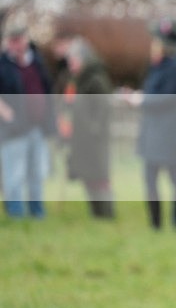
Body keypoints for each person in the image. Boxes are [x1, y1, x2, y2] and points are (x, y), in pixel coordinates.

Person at [124, 18, 176, 233]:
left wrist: (140, 100)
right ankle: (156, 225)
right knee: (152, 180)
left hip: (171, 136)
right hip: (154, 134)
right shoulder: (160, 66)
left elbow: (167, 99)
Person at [0, 23, 57, 218]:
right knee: (14, 173)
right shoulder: (3, 65)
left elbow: (47, 89)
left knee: (36, 171)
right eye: (12, 41)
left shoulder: (37, 62)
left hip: (37, 126)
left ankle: (37, 212)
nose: (16, 45)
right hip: (13, 128)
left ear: (26, 40)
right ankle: (16, 213)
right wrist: (6, 113)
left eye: (19, 40)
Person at [63, 37, 115, 218]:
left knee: (99, 178)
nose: (71, 64)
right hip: (81, 139)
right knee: (88, 177)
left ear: (83, 59)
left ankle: (106, 215)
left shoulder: (96, 79)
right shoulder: (76, 80)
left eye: (73, 60)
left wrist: (93, 130)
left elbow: (102, 110)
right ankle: (96, 215)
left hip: (95, 140)